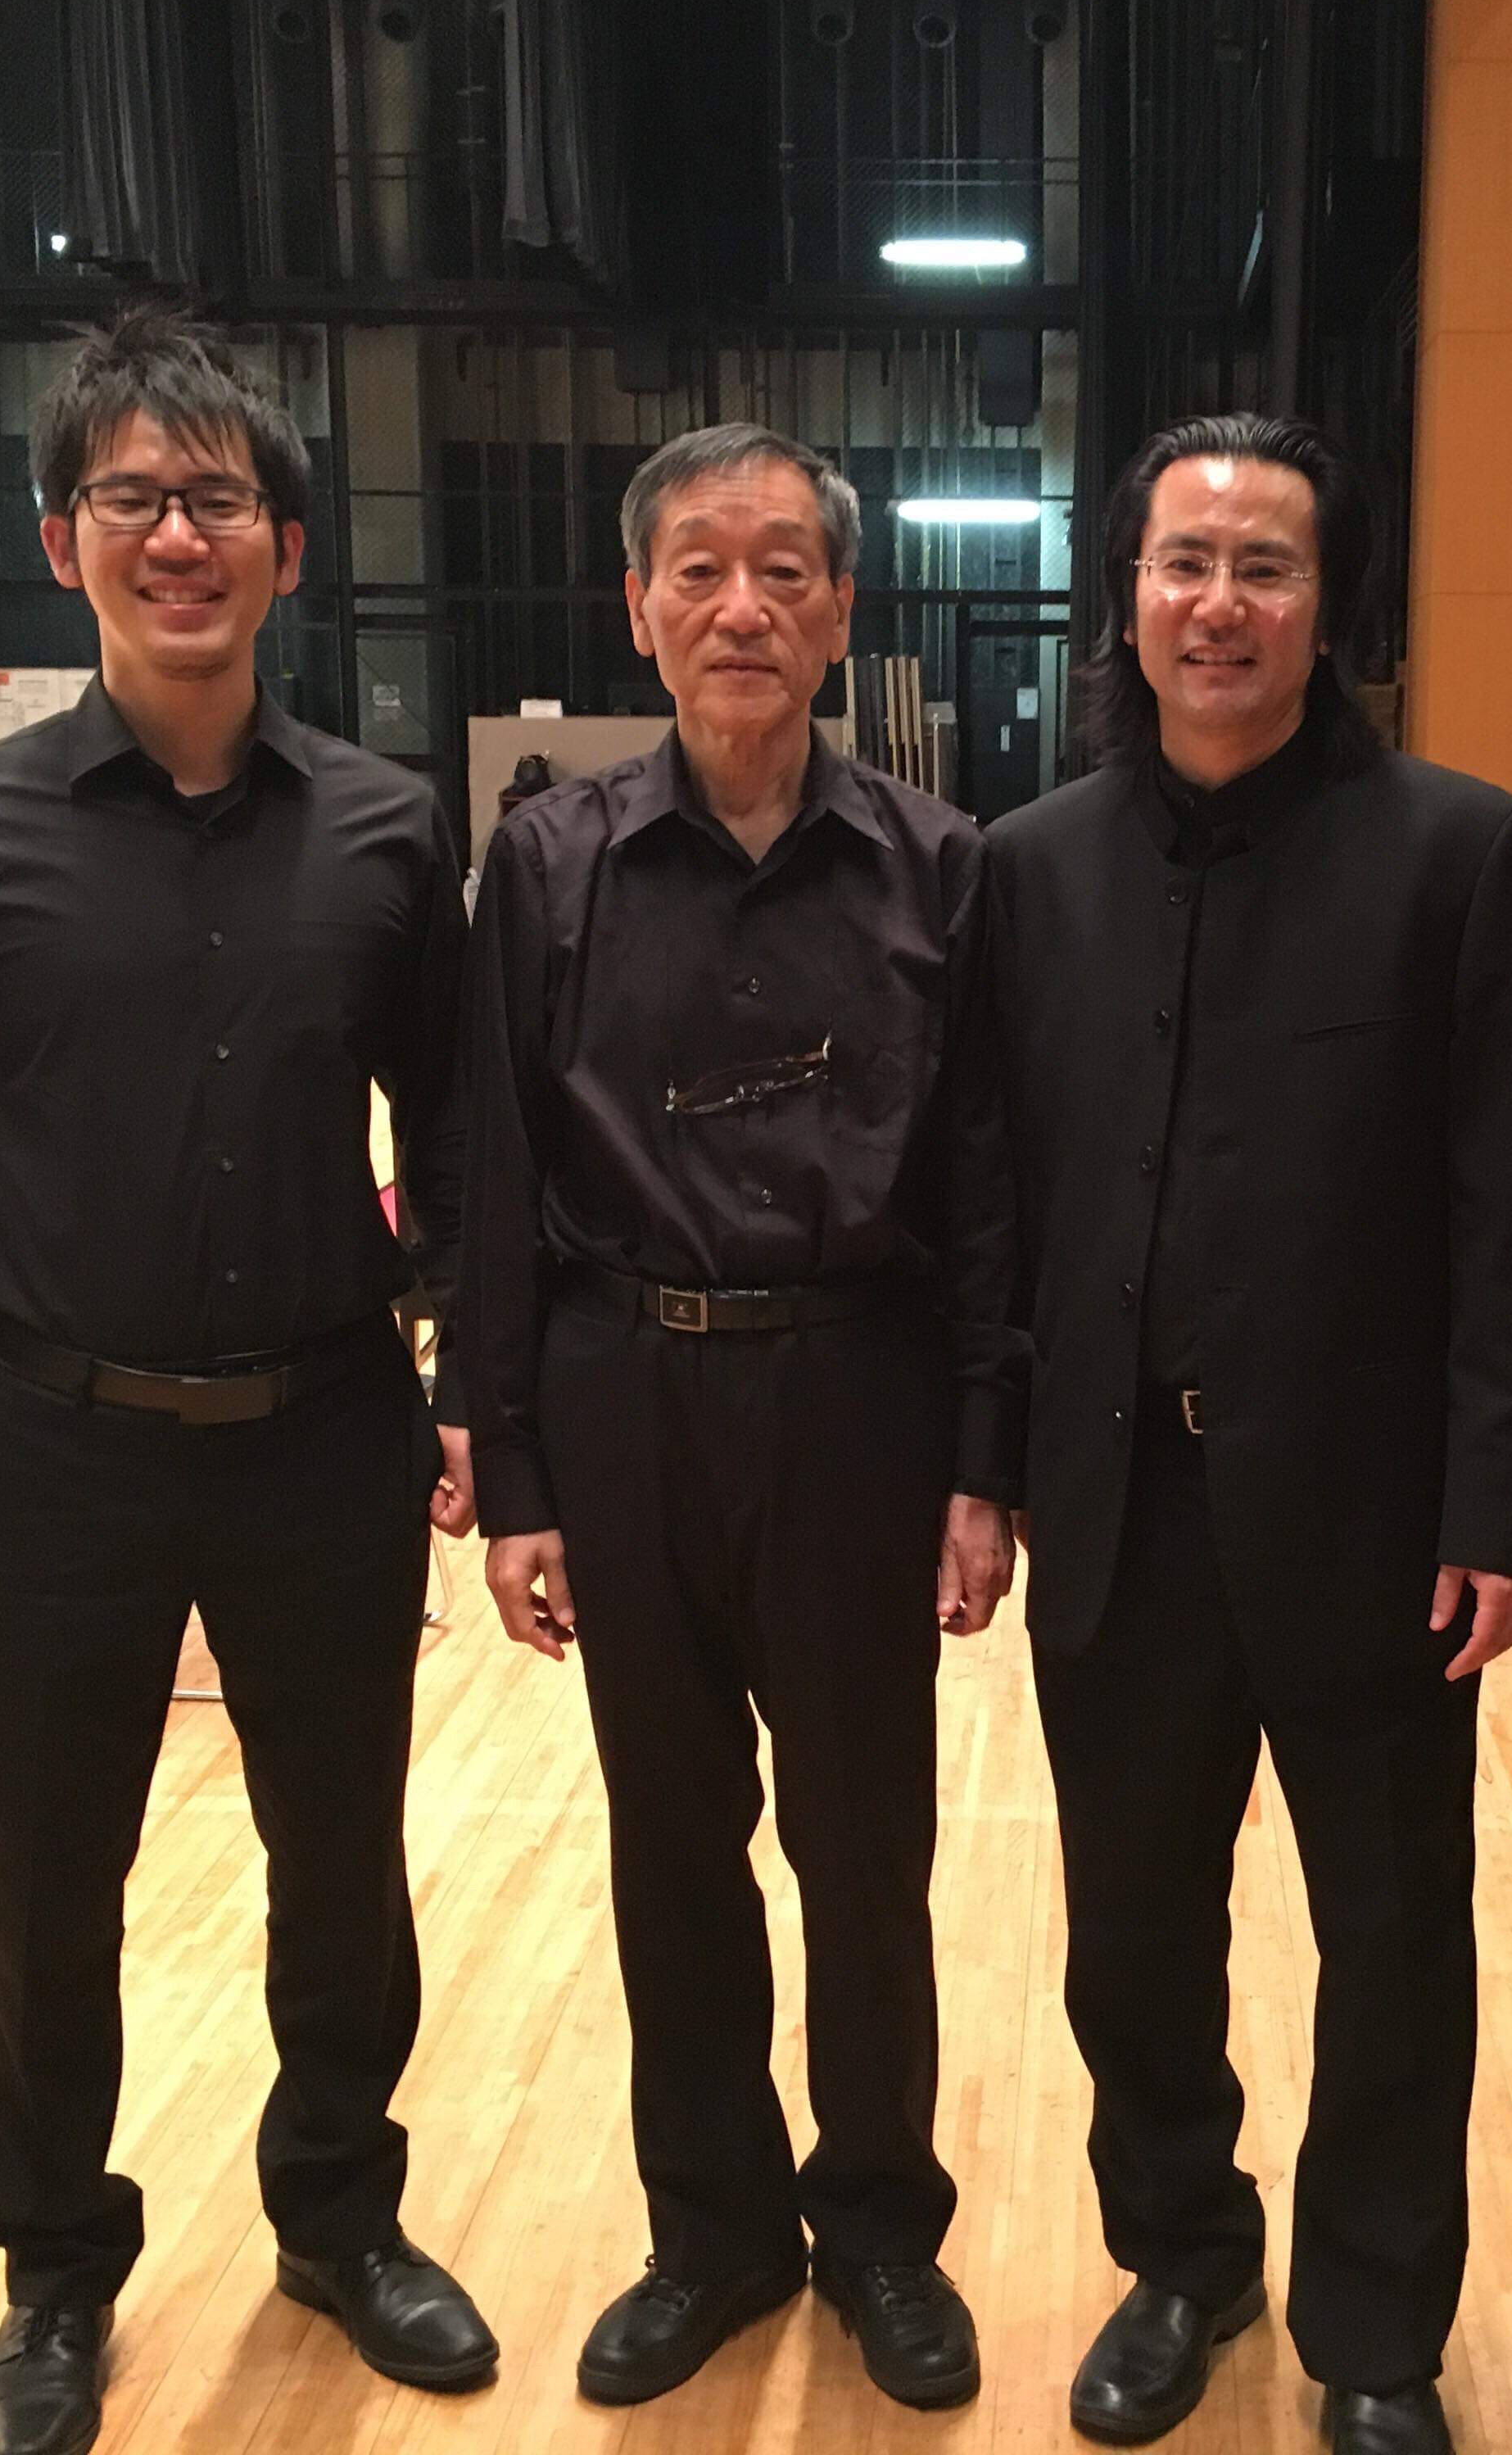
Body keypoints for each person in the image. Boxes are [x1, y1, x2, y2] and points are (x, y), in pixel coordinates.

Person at [0, 306, 494, 2455]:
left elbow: (462, 1143)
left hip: (327, 1435)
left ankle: (338, 2217)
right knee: (48, 1888)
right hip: (53, 1445)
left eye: (218, 501)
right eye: (133, 499)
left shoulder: (385, 828)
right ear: (61, 538)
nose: (177, 537)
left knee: (340, 1868)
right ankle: (54, 2273)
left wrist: (481, 1387)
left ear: (286, 548)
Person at [985, 413, 1512, 2455]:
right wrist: (986, 1466)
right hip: (1119, 1507)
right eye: (1186, 563)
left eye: (1267, 567)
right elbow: (995, 1201)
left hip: (1376, 1520)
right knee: (1134, 1937)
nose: (1220, 602)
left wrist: (1505, 1505)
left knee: (1393, 1946)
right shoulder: (1029, 871)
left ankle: (1379, 2334)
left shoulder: (1464, 856)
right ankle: (1184, 2256)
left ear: (1332, 609)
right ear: (1128, 598)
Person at [459, 422, 1019, 2415]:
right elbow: (495, 1182)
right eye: (699, 568)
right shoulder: (549, 868)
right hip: (625, 1389)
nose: (742, 605)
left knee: (865, 1847)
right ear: (639, 607)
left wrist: (983, 1461)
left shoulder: (942, 870)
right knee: (673, 1843)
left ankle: (879, 2227)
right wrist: (510, 1471)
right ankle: (712, 2230)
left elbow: (988, 1196)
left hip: (860, 1390)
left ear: (842, 611)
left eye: (785, 568)